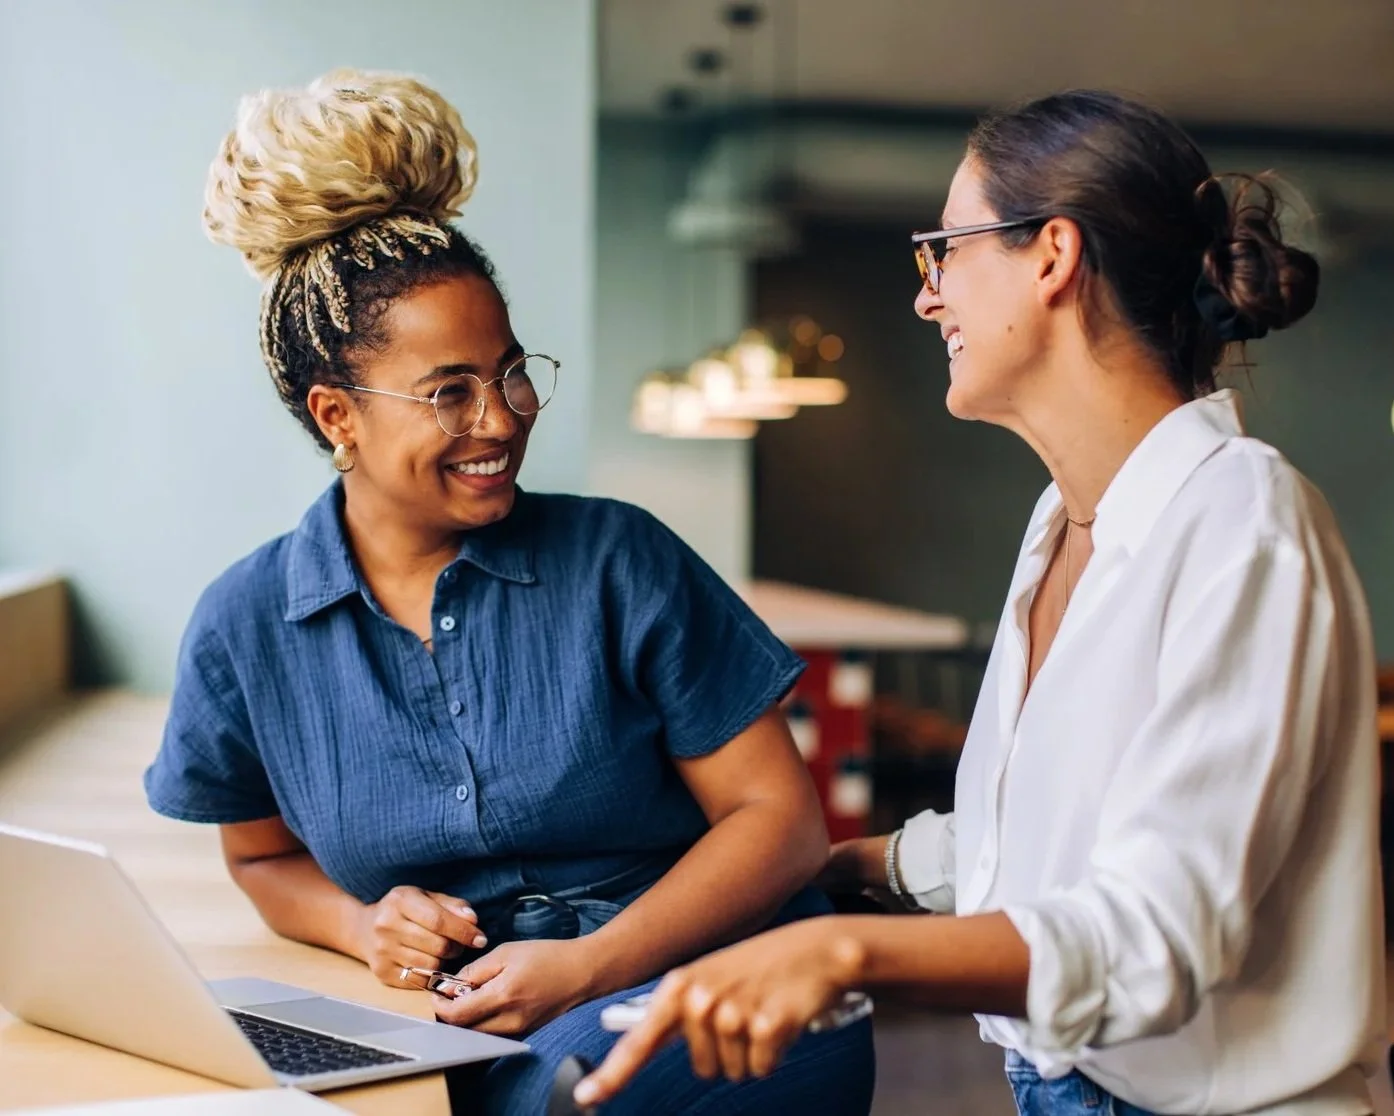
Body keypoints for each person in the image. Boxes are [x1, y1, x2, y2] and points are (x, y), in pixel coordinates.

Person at [578, 89, 1386, 1116]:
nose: (926, 297)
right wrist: (834, 871)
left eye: (942, 252)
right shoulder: (1062, 517)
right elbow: (1052, 830)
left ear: (1050, 255)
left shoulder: (1242, 519)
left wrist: (843, 950)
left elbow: (1157, 931)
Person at [142, 68, 874, 1116]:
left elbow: (780, 821)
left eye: (510, 371)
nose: (502, 417)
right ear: (335, 416)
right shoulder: (246, 623)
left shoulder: (619, 559)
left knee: (555, 1100)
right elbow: (259, 856)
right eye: (449, 392)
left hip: (730, 978)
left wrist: (588, 964)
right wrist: (363, 926)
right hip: (473, 1012)